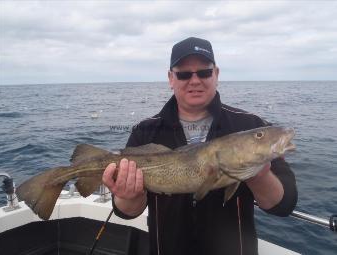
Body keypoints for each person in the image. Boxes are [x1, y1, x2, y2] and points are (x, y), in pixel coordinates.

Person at [102, 37, 297, 255]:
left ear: (216, 74)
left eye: (204, 72)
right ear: (170, 78)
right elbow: (126, 212)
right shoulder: (145, 131)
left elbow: (284, 204)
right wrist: (129, 195)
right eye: (184, 74)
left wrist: (258, 175)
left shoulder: (249, 124)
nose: (195, 81)